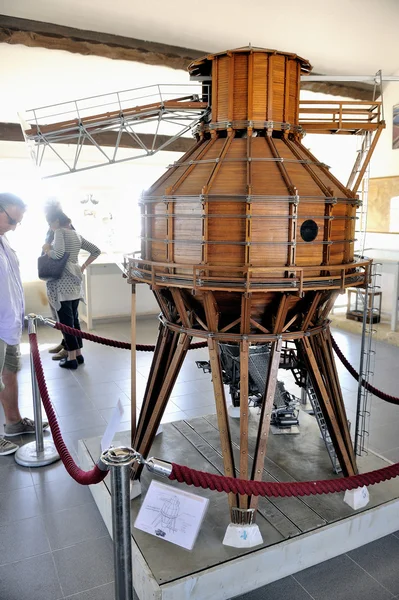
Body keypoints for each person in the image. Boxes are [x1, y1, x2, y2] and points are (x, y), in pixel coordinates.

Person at [0, 193, 48, 456]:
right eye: (11, 220)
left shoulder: (3, 241)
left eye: (18, 222)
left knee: (10, 374)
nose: (14, 227)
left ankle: (14, 424)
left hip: (8, 324)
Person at [42, 208, 101, 369]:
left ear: (56, 221)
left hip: (62, 284)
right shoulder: (76, 234)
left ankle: (71, 359)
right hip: (75, 282)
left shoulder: (59, 232)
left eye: (49, 223)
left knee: (66, 323)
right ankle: (79, 355)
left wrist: (47, 248)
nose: (49, 227)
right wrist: (82, 267)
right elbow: (96, 250)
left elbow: (58, 254)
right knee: (74, 321)